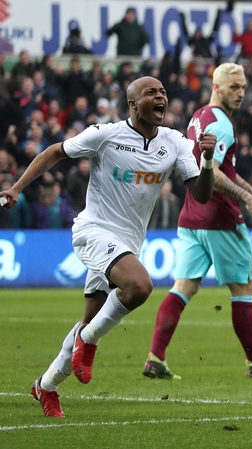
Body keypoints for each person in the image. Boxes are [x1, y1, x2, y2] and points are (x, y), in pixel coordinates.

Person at [0, 76, 216, 418]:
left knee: (90, 320)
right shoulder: (106, 135)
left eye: (162, 92)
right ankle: (88, 341)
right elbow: (54, 152)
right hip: (94, 231)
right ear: (133, 104)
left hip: (128, 243)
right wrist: (16, 188)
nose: (161, 96)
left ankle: (46, 386)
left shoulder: (174, 142)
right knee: (140, 286)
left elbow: (201, 195)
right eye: (151, 92)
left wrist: (207, 160)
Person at [143, 63, 252, 379]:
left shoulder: (199, 116)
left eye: (243, 87)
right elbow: (210, 171)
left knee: (183, 287)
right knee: (243, 288)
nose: (241, 93)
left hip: (191, 217)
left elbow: (223, 168)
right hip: (220, 218)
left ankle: (155, 357)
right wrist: (247, 199)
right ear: (217, 87)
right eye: (234, 87)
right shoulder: (222, 123)